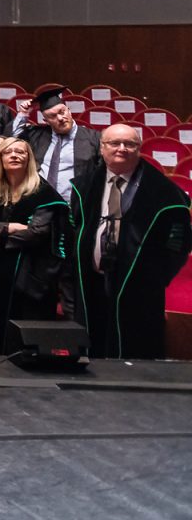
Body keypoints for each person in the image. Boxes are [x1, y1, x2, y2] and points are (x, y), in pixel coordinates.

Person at [62, 123, 191, 359]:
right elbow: (74, 231)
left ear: (139, 149)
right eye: (114, 143)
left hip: (139, 289)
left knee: (134, 353)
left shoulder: (166, 194)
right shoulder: (83, 186)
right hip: (92, 281)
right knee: (92, 351)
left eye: (130, 144)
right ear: (102, 148)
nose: (122, 148)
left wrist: (155, 278)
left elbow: (177, 245)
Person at [0, 138, 67, 353]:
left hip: (28, 271)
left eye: (21, 152)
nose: (15, 156)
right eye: (8, 152)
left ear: (29, 158)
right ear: (0, 158)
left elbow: (37, 234)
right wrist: (11, 228)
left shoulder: (44, 194)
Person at [19, 84, 100, 192]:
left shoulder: (94, 138)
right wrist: (23, 114)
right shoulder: (37, 135)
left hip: (78, 202)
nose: (60, 118)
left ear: (69, 111)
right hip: (42, 202)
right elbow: (12, 138)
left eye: (62, 112)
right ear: (46, 121)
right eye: (53, 116)